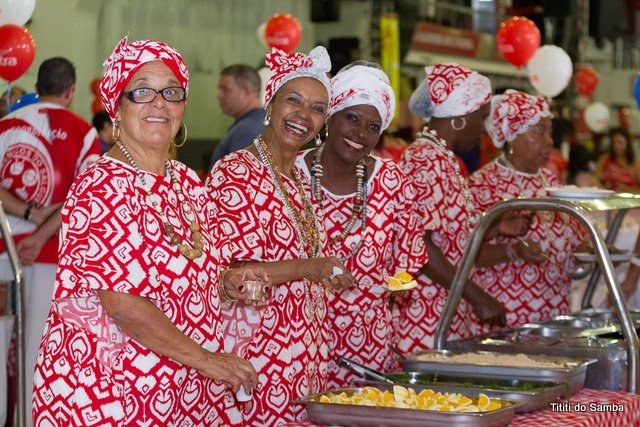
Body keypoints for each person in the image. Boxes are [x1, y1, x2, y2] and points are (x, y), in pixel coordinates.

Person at [32, 37, 265, 427]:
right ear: (117, 109)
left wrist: (227, 283)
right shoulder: (102, 184)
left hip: (176, 388)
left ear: (181, 107)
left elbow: (193, 271)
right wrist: (209, 361)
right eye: (142, 91)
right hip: (108, 393)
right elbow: (123, 305)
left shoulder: (187, 181)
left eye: (170, 92)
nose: (159, 103)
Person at [206, 46, 355, 426]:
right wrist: (311, 267)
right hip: (258, 359)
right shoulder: (237, 171)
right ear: (269, 105)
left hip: (305, 360)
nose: (304, 115)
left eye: (318, 108)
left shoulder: (300, 179)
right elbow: (233, 273)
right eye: (294, 100)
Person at [296, 61, 428, 388]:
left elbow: (408, 267)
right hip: (295, 347)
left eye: (373, 127)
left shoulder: (392, 182)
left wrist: (387, 287)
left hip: (365, 351)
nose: (360, 133)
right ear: (330, 115)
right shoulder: (290, 173)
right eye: (351, 117)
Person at [0, 57, 101, 425]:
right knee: (37, 349)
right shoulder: (84, 133)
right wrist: (40, 231)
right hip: (49, 258)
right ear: (71, 92)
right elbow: (83, 198)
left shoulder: (4, 126)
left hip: (3, 253)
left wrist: (26, 215)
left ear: (38, 85)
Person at [394, 63, 508, 354]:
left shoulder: (441, 158)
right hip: (423, 316)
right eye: (480, 118)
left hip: (443, 310)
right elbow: (420, 246)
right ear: (459, 117)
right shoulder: (424, 158)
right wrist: (476, 296)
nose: (483, 129)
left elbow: (449, 238)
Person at [469, 89, 588, 327]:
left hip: (554, 314)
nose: (549, 141)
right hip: (505, 318)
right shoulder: (483, 184)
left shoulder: (551, 181)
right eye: (539, 132)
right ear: (512, 136)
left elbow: (573, 238)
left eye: (549, 132)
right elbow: (465, 255)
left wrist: (591, 250)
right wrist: (513, 250)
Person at [209, 64, 265, 169]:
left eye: (225, 89)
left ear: (246, 92)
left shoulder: (248, 130)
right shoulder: (257, 123)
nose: (219, 95)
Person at [595, 127, 640, 191]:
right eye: (614, 142)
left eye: (620, 142)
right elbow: (596, 179)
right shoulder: (605, 159)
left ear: (627, 144)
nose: (616, 146)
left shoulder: (636, 164)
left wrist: (626, 189)